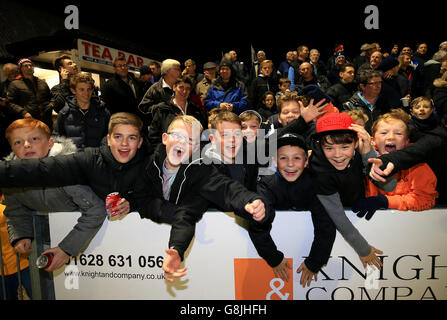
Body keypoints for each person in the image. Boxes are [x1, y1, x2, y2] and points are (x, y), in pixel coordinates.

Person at [145, 115, 270, 281]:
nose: (182, 142)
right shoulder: (145, 164)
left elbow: (224, 190)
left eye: (190, 140)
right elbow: (138, 196)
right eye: (178, 136)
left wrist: (252, 201)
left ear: (196, 147)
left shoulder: (201, 171)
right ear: (164, 138)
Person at [0, 113, 165, 222]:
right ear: (108, 139)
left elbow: (157, 197)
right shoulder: (89, 159)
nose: (123, 144)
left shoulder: (151, 165)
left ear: (140, 142)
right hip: (94, 244)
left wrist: (132, 203)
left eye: (132, 138)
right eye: (118, 137)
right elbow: (46, 168)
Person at [2, 118, 108, 272]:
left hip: (81, 242)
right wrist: (21, 234)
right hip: (43, 243)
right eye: (18, 142)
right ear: (11, 147)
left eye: (34, 139)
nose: (26, 145)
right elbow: (15, 210)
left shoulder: (68, 171)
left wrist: (66, 249)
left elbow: (95, 210)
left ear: (50, 143)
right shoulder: (9, 177)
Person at [248, 133, 336, 287]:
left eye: (297, 158)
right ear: (274, 161)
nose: (290, 164)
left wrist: (314, 262)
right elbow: (257, 224)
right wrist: (273, 257)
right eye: (283, 158)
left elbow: (326, 226)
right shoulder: (266, 184)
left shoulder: (315, 183)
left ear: (306, 161)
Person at [309, 112, 383, 270]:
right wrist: (363, 249)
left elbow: (388, 185)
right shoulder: (319, 170)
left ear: (356, 143)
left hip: (357, 201)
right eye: (329, 148)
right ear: (320, 146)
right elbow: (338, 216)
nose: (338, 155)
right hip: (336, 211)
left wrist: (368, 153)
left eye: (345, 147)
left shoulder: (362, 149)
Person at [353, 109, 438, 218]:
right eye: (384, 133)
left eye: (398, 133)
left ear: (407, 141)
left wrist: (386, 201)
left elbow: (426, 199)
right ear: (373, 140)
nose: (391, 137)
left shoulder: (418, 166)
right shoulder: (364, 160)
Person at [55, 72, 110, 150]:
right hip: (73, 158)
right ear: (73, 90)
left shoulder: (103, 112)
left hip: (96, 158)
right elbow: (58, 137)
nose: (86, 93)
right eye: (81, 89)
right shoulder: (64, 113)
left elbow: (109, 136)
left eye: (89, 89)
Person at [148, 75, 208, 147]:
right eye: (181, 87)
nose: (184, 91)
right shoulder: (163, 110)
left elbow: (203, 134)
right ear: (174, 87)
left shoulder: (196, 111)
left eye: (188, 88)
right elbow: (153, 136)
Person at [6, 58, 54, 129]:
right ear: (20, 69)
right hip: (29, 120)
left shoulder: (42, 83)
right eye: (26, 66)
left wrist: (51, 104)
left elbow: (51, 96)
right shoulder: (15, 84)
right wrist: (23, 113)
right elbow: (10, 102)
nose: (29, 67)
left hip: (46, 119)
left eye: (30, 65)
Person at [0, 193, 31, 300]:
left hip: (22, 262)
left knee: (38, 293)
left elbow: (9, 210)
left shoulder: (8, 200)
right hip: (4, 269)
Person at [342, 69, 391, 134]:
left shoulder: (385, 103)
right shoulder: (349, 106)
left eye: (380, 82)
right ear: (362, 86)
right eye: (374, 83)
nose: (378, 86)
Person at [138, 59, 181, 128]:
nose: (180, 72)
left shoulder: (182, 87)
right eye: (177, 69)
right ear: (168, 71)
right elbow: (143, 107)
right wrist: (158, 107)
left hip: (179, 128)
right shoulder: (155, 88)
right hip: (161, 131)